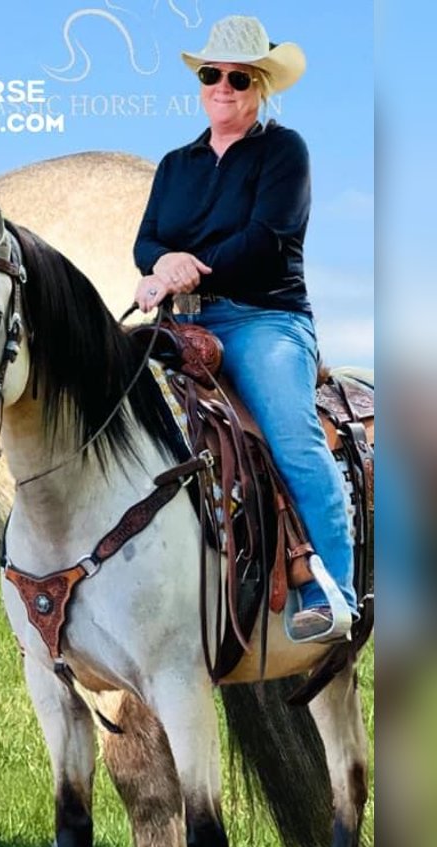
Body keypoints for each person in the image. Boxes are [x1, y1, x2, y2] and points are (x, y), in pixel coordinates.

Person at [132, 15, 356, 641]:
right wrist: (158, 264)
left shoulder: (284, 152)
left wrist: (183, 270)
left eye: (238, 77)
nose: (222, 87)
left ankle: (333, 593)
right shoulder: (176, 164)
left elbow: (268, 237)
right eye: (212, 75)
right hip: (187, 325)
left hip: (266, 319)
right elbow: (147, 239)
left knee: (291, 436)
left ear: (260, 86)